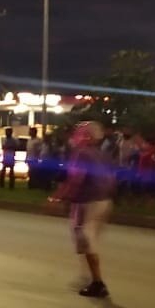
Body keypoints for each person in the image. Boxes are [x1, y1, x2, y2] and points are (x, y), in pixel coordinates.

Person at [52, 120, 116, 298]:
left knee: (86, 241)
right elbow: (112, 179)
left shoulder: (81, 154)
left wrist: (59, 196)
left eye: (78, 132)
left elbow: (75, 179)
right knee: (87, 239)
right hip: (104, 202)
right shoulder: (102, 154)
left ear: (87, 136)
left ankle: (97, 282)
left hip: (87, 203)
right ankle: (87, 275)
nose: (75, 135)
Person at [26, 126, 45, 191]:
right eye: (30, 131)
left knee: (34, 172)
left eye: (31, 131)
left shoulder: (38, 140)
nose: (30, 132)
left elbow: (40, 150)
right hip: (29, 158)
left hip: (35, 159)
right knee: (30, 172)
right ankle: (31, 184)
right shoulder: (29, 140)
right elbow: (28, 150)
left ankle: (34, 185)